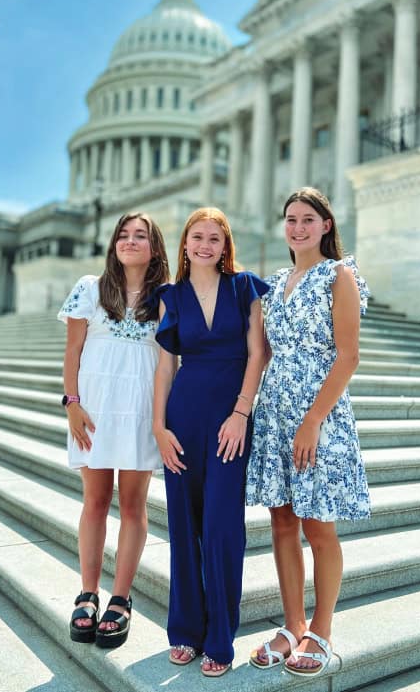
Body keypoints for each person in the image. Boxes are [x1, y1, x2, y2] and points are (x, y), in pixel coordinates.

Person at [246, 187, 371, 678]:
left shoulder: (338, 275)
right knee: (281, 524)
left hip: (318, 417)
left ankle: (321, 628)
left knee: (318, 526)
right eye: (291, 219)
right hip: (275, 414)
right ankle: (292, 622)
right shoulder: (274, 284)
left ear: (325, 226)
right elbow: (265, 353)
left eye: (307, 219)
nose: (297, 227)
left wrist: (313, 420)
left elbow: (349, 355)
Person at [152, 207, 267, 678]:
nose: (205, 245)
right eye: (197, 236)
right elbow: (165, 367)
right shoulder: (170, 295)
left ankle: (220, 637)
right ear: (185, 243)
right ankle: (185, 630)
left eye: (215, 239)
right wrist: (158, 428)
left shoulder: (245, 287)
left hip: (230, 418)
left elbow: (258, 354)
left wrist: (241, 413)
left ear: (226, 246)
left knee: (222, 527)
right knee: (183, 524)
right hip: (182, 416)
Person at [58, 212, 169, 648]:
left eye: (140, 235)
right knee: (96, 500)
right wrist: (71, 403)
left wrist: (160, 420)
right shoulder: (89, 287)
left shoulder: (166, 298)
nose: (129, 241)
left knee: (134, 506)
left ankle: (121, 599)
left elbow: (167, 362)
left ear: (155, 247)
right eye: (123, 234)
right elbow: (72, 351)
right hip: (93, 411)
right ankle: (88, 592)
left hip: (140, 410)